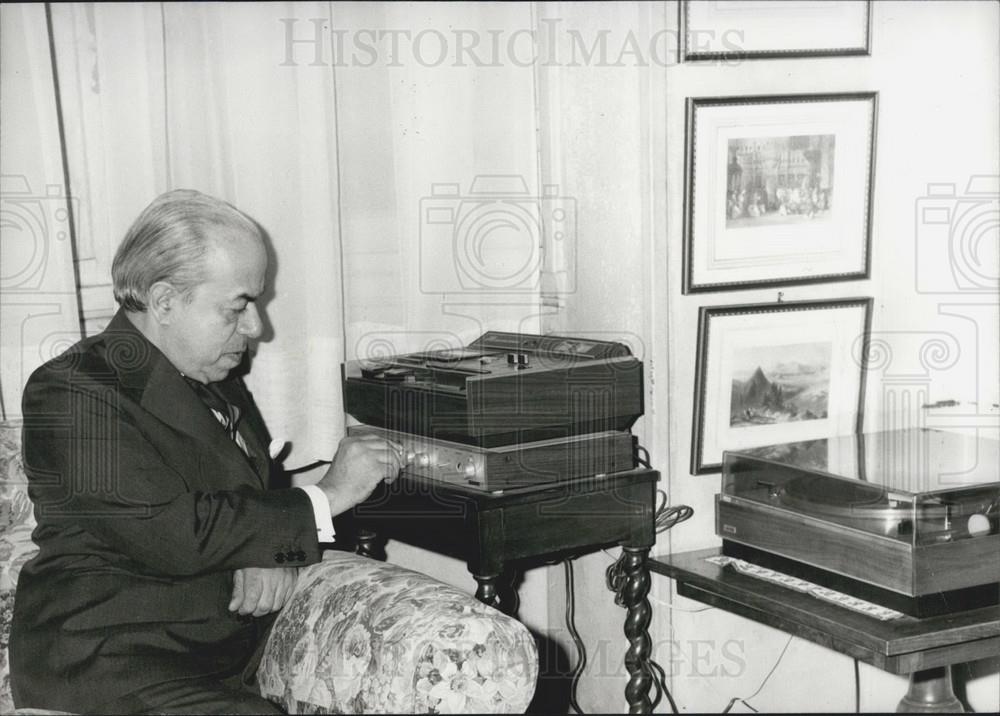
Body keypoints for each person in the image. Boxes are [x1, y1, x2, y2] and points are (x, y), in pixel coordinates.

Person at [10, 189, 404, 714]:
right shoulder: (73, 389)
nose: (256, 328)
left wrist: (268, 550)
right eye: (238, 306)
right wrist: (327, 495)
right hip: (107, 661)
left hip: (209, 659)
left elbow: (244, 496)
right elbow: (173, 534)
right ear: (166, 301)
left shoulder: (213, 372)